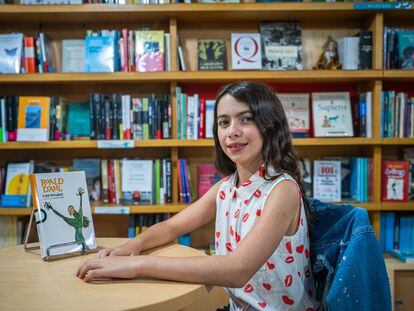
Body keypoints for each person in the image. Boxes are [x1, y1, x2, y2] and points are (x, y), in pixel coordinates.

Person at [76, 81, 320, 310]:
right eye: (223, 122)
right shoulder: (225, 188)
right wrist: (131, 247)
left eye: (246, 119)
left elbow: (237, 269)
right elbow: (172, 227)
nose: (232, 132)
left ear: (270, 125)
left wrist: (137, 264)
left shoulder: (283, 189)